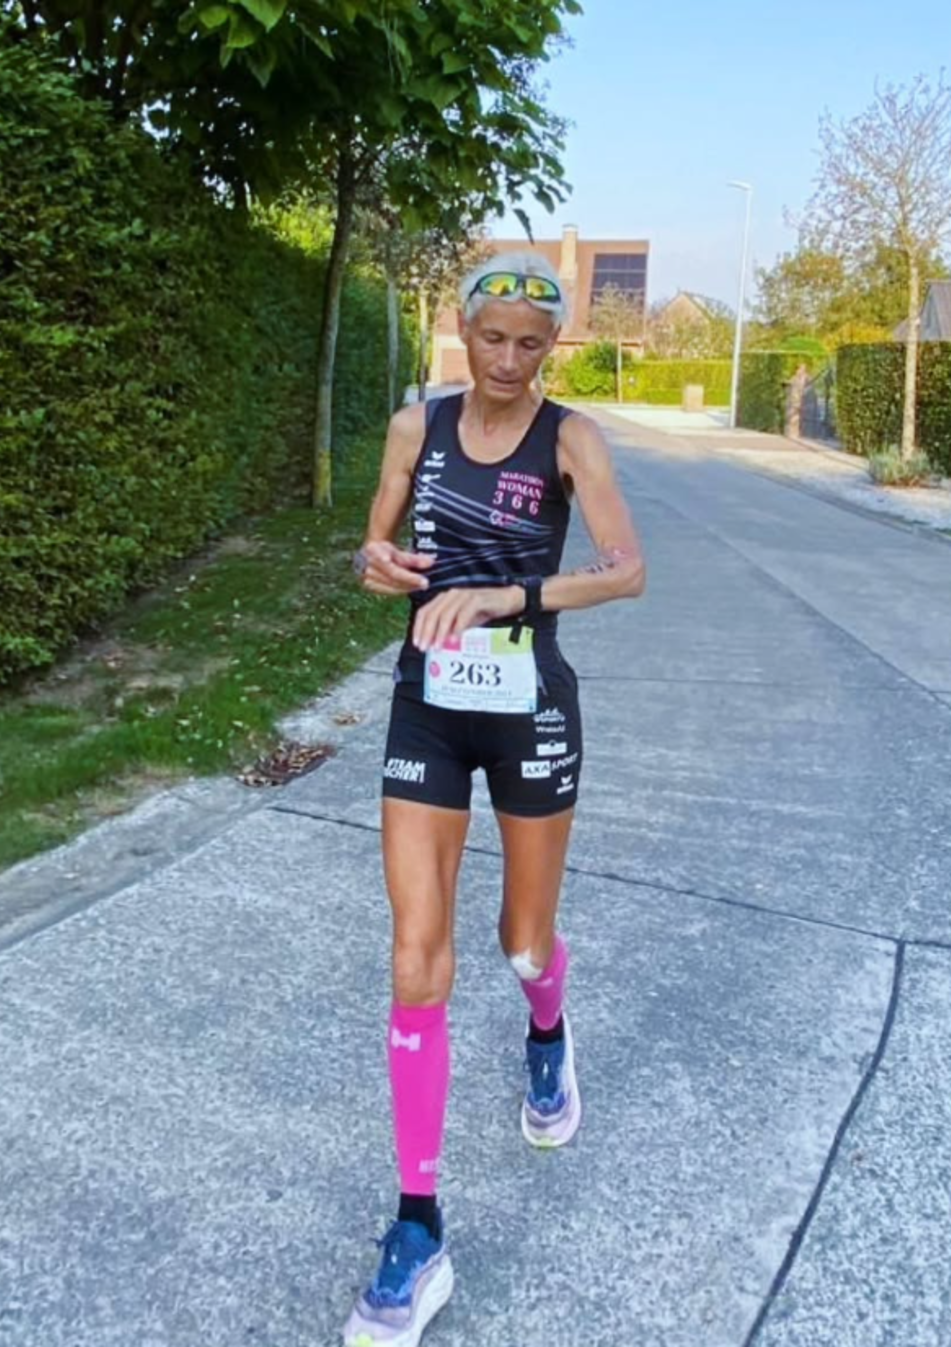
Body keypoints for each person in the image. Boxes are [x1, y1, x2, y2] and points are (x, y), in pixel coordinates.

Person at [342, 251, 646, 1347]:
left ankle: (549, 1025)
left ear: (549, 349)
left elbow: (624, 569)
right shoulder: (410, 426)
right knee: (415, 950)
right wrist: (379, 563)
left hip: (529, 701)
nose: (510, 361)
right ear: (460, 332)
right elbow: (375, 542)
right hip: (426, 698)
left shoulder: (570, 438)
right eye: (493, 338)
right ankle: (417, 1224)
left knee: (523, 943)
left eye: (531, 344)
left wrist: (505, 593)